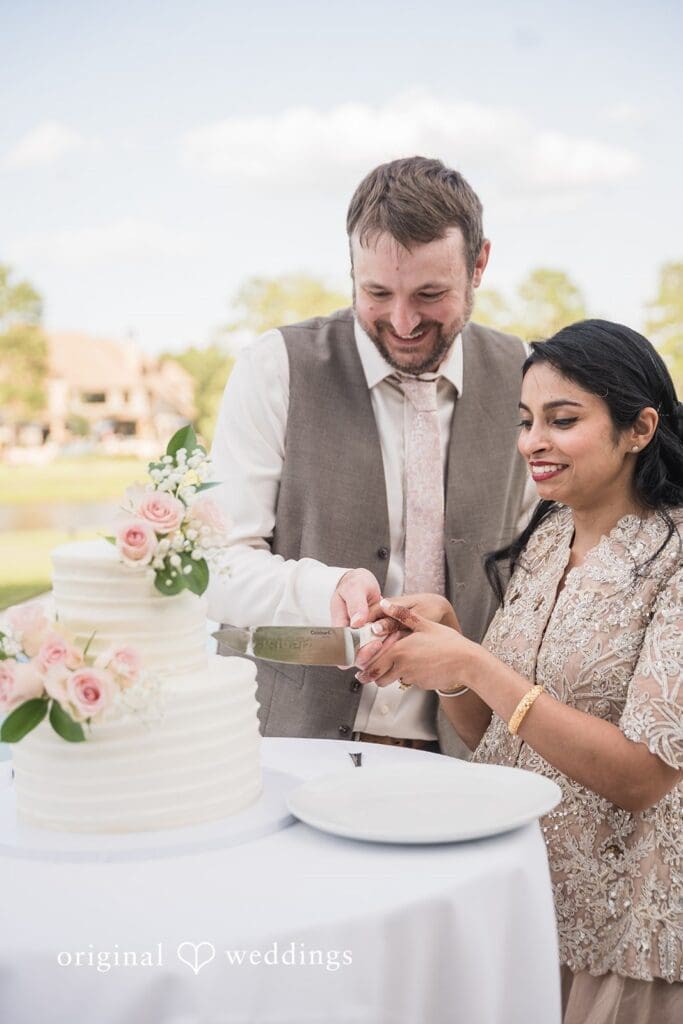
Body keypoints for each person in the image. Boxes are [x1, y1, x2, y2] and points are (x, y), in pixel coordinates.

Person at [355, 320, 683, 1022]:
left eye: (561, 420)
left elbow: (642, 777)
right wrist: (446, 651)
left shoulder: (675, 557)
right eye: (526, 420)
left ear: (638, 428)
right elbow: (492, 733)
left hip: (621, 934)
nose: (532, 441)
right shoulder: (547, 537)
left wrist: (475, 661)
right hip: (519, 897)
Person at [208, 156, 531, 752]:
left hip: (471, 753)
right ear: (351, 268)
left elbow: (536, 566)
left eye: (430, 294)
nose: (403, 321)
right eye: (376, 292)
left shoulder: (526, 376)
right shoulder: (275, 367)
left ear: (479, 263)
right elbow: (218, 566)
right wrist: (322, 590)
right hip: (292, 742)